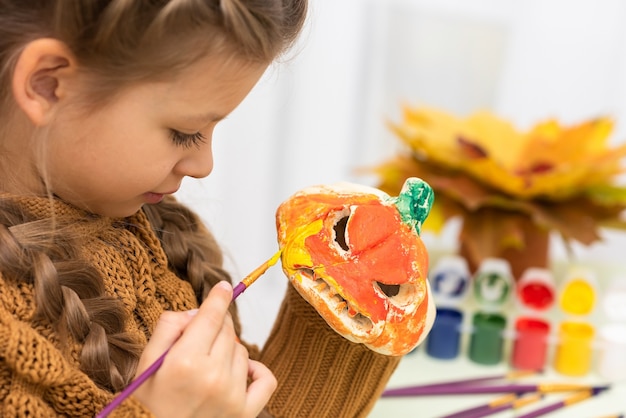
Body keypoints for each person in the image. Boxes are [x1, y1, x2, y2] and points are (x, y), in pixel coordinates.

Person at [0, 1, 402, 417]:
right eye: (184, 132)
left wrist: (338, 326)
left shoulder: (158, 236)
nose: (203, 166)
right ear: (47, 83)